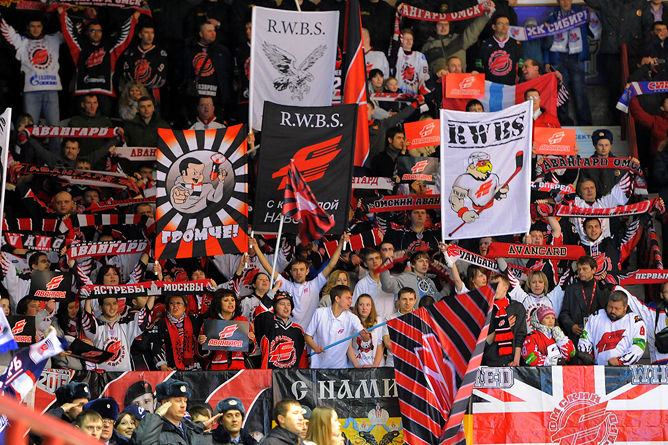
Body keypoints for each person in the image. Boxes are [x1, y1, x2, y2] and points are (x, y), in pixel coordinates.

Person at [255, 233, 349, 329]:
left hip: (311, 334)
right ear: (291, 272)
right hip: (291, 332)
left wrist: (341, 244)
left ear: (307, 271)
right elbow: (268, 268)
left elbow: (331, 264)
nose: (298, 273)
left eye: (301, 269)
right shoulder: (287, 285)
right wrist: (255, 247)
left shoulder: (315, 284)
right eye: (295, 270)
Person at [58, 7, 140, 115]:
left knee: (105, 122)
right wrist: (62, 14)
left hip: (104, 93)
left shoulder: (109, 47)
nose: (96, 33)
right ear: (87, 32)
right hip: (83, 92)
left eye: (99, 31)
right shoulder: (80, 46)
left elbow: (124, 36)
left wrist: (135, 17)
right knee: (81, 123)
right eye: (92, 31)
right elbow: (70, 33)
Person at [0, 15, 63, 128]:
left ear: (42, 27)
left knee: (54, 128)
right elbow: (7, 30)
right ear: (28, 27)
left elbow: (72, 32)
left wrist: (62, 14)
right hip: (31, 91)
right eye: (32, 26)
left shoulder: (53, 39)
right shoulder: (22, 41)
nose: (36, 29)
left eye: (38, 26)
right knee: (29, 128)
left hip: (52, 90)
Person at [546, 0, 592, 125]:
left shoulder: (580, 13)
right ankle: (563, 124)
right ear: (558, 1)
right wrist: (547, 60)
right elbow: (546, 39)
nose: (565, 2)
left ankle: (586, 124)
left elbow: (592, 31)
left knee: (580, 92)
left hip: (576, 56)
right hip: (558, 57)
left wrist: (590, 16)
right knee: (561, 92)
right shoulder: (553, 16)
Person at [82, 293, 155, 372]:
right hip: (102, 375)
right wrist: (88, 300)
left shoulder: (126, 324)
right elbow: (88, 320)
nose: (112, 307)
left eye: (114, 303)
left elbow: (145, 314)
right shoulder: (98, 326)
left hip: (124, 375)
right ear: (100, 307)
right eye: (108, 304)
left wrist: (153, 294)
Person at [133, 379, 218, 445]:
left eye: (185, 401)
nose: (183, 405)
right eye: (178, 401)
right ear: (165, 403)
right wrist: (157, 415)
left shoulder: (191, 428)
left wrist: (202, 426)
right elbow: (141, 441)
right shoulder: (155, 431)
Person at [305, 285, 370, 368]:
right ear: (337, 299)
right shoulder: (319, 313)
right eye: (348, 298)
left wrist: (365, 336)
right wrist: (315, 347)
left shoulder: (352, 318)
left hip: (340, 368)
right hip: (318, 367)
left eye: (351, 298)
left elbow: (365, 339)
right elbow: (307, 336)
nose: (351, 301)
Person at [578, 290, 647, 365]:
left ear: (625, 307)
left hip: (626, 369)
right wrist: (586, 354)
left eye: (617, 308)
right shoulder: (595, 317)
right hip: (599, 369)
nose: (612, 311)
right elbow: (585, 339)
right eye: (610, 307)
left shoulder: (636, 321)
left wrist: (620, 361)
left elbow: (638, 347)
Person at [558, 256, 613, 346]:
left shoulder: (603, 288)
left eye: (584, 269)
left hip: (599, 334)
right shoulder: (570, 289)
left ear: (594, 270)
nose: (581, 272)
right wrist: (572, 326)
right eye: (579, 269)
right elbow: (564, 313)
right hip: (577, 335)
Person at [421, 5, 493, 74]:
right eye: (440, 24)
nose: (443, 27)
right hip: (438, 81)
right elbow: (423, 68)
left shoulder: (459, 40)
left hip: (460, 80)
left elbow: (474, 29)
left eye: (446, 24)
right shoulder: (427, 46)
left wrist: (486, 15)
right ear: (434, 27)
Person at [198, 289, 256, 370]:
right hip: (216, 369)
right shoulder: (210, 323)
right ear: (218, 303)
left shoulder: (243, 321)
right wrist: (201, 344)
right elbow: (203, 355)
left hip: (240, 369)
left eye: (232, 300)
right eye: (226, 300)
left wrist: (250, 342)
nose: (230, 303)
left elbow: (251, 352)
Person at [254, 291, 308, 369]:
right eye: (282, 304)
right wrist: (274, 289)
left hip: (292, 375)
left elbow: (302, 358)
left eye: (289, 304)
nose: (286, 307)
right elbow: (263, 307)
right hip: (269, 374)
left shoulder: (298, 330)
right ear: (275, 307)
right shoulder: (267, 324)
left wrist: (302, 373)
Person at [617, 284, 668, 364]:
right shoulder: (651, 312)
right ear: (661, 295)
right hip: (660, 367)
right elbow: (633, 302)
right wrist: (614, 286)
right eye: (667, 292)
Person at [483, 274, 527, 366]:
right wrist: (502, 328)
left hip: (512, 360)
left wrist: (516, 360)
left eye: (497, 285)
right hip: (491, 361)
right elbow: (482, 342)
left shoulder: (517, 307)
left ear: (506, 287)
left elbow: (520, 335)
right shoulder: (486, 310)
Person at [119, 23, 168, 99]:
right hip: (133, 92)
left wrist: (144, 87)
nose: (150, 36)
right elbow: (126, 73)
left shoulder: (160, 53)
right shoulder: (131, 52)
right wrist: (136, 87)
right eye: (146, 32)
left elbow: (161, 76)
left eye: (152, 33)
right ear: (140, 35)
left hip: (152, 92)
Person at [156, 294, 203, 371]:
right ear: (168, 307)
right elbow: (157, 345)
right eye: (172, 303)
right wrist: (162, 365)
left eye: (179, 303)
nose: (175, 306)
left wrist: (202, 341)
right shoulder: (161, 323)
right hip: (171, 368)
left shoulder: (194, 320)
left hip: (194, 367)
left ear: (185, 307)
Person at [380, 251, 444, 303]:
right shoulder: (405, 278)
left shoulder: (430, 281)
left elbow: (438, 299)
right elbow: (387, 286)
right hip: (414, 314)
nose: (425, 264)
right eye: (421, 261)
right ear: (412, 265)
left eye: (426, 261)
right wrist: (384, 266)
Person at [476, 14, 523, 85]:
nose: (504, 26)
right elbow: (478, 62)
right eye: (501, 24)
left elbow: (520, 62)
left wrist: (519, 74)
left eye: (507, 24)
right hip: (490, 85)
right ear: (494, 27)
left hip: (509, 86)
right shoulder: (485, 44)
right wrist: (480, 75)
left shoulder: (516, 44)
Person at [579, 129, 626, 196]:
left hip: (615, 200)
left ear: (610, 145)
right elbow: (581, 186)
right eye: (600, 145)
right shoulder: (587, 164)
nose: (604, 148)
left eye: (606, 145)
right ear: (595, 146)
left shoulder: (619, 163)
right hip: (594, 200)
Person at [352, 249, 395, 320]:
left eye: (377, 258)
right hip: (371, 323)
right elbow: (355, 307)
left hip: (390, 322)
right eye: (371, 259)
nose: (374, 261)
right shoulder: (361, 284)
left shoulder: (392, 280)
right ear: (365, 264)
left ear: (381, 260)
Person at [382, 287, 417, 367]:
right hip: (393, 365)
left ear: (415, 301)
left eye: (411, 299)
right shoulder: (389, 319)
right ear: (398, 300)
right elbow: (388, 343)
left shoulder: (421, 318)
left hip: (415, 365)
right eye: (404, 299)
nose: (407, 303)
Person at [348, 294, 384, 367]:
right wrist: (357, 366)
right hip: (355, 365)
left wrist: (374, 366)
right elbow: (349, 346)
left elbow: (380, 345)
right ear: (357, 306)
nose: (364, 308)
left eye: (368, 305)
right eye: (361, 304)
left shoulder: (378, 321)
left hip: (375, 365)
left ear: (371, 307)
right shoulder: (351, 320)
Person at [391, 28, 430, 96]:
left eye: (411, 39)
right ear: (401, 40)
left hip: (414, 95)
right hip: (398, 95)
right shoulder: (398, 53)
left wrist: (423, 93)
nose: (409, 41)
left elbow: (424, 76)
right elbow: (395, 43)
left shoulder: (419, 56)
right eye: (406, 39)